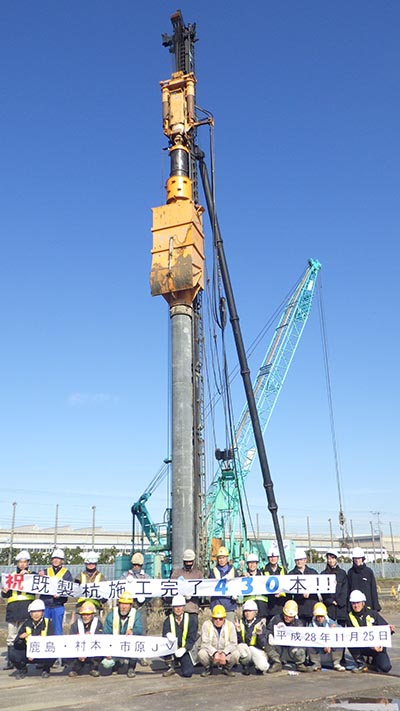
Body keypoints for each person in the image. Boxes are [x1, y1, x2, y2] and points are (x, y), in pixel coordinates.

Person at [1, 549, 35, 670]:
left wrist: (28, 577)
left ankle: (24, 659)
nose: (22, 564)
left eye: (24, 562)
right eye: (20, 562)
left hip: (26, 609)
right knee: (11, 636)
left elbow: (38, 588)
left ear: (28, 563)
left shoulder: (33, 576)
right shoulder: (11, 577)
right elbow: (5, 594)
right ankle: (11, 661)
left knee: (25, 635)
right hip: (13, 610)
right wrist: (4, 591)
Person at [346, 589, 394, 673]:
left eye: (358, 603)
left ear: (363, 603)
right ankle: (360, 663)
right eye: (354, 603)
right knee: (350, 642)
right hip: (361, 647)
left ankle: (374, 661)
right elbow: (350, 637)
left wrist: (390, 630)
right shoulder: (349, 617)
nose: (356, 605)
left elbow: (384, 629)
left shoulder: (372, 613)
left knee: (385, 668)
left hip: (377, 647)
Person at [9, 599, 55, 679]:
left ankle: (46, 669)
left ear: (42, 612)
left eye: (38, 611)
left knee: (54, 653)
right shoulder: (26, 624)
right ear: (30, 613)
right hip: (28, 654)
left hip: (43, 653)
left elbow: (52, 641)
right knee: (12, 653)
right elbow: (16, 644)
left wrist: (37, 652)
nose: (36, 614)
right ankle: (22, 669)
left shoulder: (48, 623)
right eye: (33, 611)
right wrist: (20, 638)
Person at [102, 591, 143, 677]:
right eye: (122, 604)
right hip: (114, 645)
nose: (124, 607)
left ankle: (131, 667)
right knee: (106, 664)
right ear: (119, 604)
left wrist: (133, 631)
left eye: (127, 604)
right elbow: (106, 634)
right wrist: (107, 651)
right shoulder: (111, 615)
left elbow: (140, 629)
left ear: (131, 606)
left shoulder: (136, 615)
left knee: (136, 643)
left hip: (129, 645)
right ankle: (116, 664)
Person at [265, 599, 312, 673]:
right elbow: (267, 630)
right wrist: (269, 635)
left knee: (301, 649)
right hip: (278, 647)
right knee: (267, 645)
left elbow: (302, 637)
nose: (287, 618)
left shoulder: (298, 623)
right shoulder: (276, 619)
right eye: (286, 615)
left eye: (290, 617)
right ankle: (277, 663)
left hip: (291, 648)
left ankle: (299, 664)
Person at [121, 552, 150, 666]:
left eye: (138, 565)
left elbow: (152, 590)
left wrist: (146, 599)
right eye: (134, 565)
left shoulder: (146, 577)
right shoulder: (125, 575)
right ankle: (125, 655)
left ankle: (142, 655)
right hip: (129, 607)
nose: (136, 567)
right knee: (126, 629)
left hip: (141, 607)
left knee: (142, 630)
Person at [198, 604, 241, 677]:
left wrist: (224, 653)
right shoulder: (206, 624)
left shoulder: (230, 625)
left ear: (224, 618)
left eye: (220, 619)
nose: (218, 621)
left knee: (236, 653)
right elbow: (204, 643)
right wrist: (214, 653)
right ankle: (208, 668)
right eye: (215, 618)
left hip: (225, 652)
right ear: (212, 617)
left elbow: (234, 643)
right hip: (211, 652)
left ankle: (227, 668)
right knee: (201, 653)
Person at [162, 594, 198, 678]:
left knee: (188, 673)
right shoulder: (168, 620)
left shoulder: (191, 620)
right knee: (164, 648)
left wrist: (185, 649)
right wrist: (167, 635)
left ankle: (183, 663)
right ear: (172, 608)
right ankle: (170, 667)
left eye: (180, 606)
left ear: (184, 607)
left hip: (184, 650)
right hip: (171, 649)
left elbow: (192, 638)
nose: (178, 609)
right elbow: (164, 636)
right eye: (176, 606)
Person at [39, 548, 73, 636]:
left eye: (58, 558)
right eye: (54, 558)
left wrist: (60, 595)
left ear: (62, 560)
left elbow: (69, 588)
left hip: (58, 605)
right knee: (43, 629)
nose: (55, 560)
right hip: (45, 604)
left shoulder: (66, 573)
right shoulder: (45, 571)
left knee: (57, 630)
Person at [68, 600, 103, 677]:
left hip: (93, 650)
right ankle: (76, 668)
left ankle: (94, 668)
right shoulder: (75, 625)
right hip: (78, 650)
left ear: (92, 615)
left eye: (88, 614)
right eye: (84, 614)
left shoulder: (98, 624)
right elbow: (71, 640)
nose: (86, 617)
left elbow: (101, 639)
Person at [308, 602, 346, 671]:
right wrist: (323, 644)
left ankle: (336, 663)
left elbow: (342, 631)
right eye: (318, 616)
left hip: (331, 653)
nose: (320, 618)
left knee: (339, 639)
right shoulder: (311, 625)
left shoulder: (331, 622)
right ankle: (316, 664)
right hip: (318, 653)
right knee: (309, 643)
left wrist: (335, 630)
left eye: (321, 616)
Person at [236, 599, 269, 675]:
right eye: (246, 611)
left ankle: (256, 666)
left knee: (263, 667)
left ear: (256, 612)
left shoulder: (260, 623)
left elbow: (263, 644)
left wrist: (259, 634)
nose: (247, 613)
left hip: (256, 649)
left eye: (250, 611)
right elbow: (239, 642)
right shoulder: (241, 623)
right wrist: (238, 632)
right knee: (241, 647)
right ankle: (246, 665)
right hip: (246, 649)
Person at [288, 548, 319, 624]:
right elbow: (289, 591)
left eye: (301, 559)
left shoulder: (313, 572)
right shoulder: (291, 574)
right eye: (297, 560)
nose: (299, 562)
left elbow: (319, 585)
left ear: (305, 560)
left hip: (312, 605)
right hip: (300, 607)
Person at [171, 548, 203, 617]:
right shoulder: (177, 573)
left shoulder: (198, 574)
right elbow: (171, 588)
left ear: (193, 561)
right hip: (179, 609)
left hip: (193, 609)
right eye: (186, 562)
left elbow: (203, 589)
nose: (188, 564)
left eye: (190, 562)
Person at [209, 546, 239, 621]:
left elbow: (239, 584)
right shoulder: (213, 571)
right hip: (216, 604)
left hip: (229, 605)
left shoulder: (233, 571)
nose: (221, 560)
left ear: (227, 558)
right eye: (220, 558)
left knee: (229, 628)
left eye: (223, 557)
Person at [347, 547, 381, 611]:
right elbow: (348, 589)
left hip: (367, 605)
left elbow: (373, 590)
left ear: (362, 559)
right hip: (354, 606)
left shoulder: (368, 572)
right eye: (355, 558)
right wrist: (348, 607)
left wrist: (375, 605)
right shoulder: (350, 572)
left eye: (359, 558)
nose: (357, 560)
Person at [321, 549, 348, 625]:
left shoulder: (342, 573)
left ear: (336, 559)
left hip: (341, 609)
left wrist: (339, 601)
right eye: (329, 558)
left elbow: (345, 589)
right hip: (329, 609)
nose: (331, 561)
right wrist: (330, 601)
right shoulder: (323, 574)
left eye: (333, 558)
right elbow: (322, 591)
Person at [263, 544, 286, 622]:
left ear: (278, 558)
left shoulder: (283, 570)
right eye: (271, 557)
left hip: (280, 604)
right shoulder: (263, 571)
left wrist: (281, 593)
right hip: (269, 605)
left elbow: (288, 586)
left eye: (274, 557)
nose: (273, 559)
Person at [242, 552, 268, 620]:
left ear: (257, 564)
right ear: (247, 564)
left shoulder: (263, 575)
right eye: (250, 563)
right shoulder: (243, 577)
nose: (252, 565)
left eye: (254, 563)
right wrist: (242, 577)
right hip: (248, 608)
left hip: (262, 608)